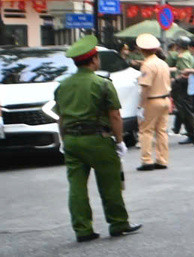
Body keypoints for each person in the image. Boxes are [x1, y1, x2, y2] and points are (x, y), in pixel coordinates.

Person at [52, 36, 139, 241]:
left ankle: (82, 229)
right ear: (93, 61)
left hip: (72, 140)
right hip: (98, 139)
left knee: (76, 186)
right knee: (110, 183)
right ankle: (118, 223)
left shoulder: (62, 86)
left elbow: (61, 117)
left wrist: (64, 140)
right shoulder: (102, 84)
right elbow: (115, 116)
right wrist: (119, 141)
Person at [133, 33, 172, 171]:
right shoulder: (163, 63)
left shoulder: (147, 65)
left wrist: (140, 106)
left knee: (145, 131)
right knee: (161, 131)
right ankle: (162, 160)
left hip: (151, 101)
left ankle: (147, 160)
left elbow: (145, 87)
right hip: (165, 99)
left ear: (141, 49)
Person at [168, 40, 194, 141]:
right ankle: (189, 131)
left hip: (182, 86)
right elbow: (179, 68)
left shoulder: (182, 57)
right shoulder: (189, 55)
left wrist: (175, 80)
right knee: (185, 109)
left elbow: (185, 72)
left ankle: (191, 133)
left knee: (185, 110)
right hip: (188, 85)